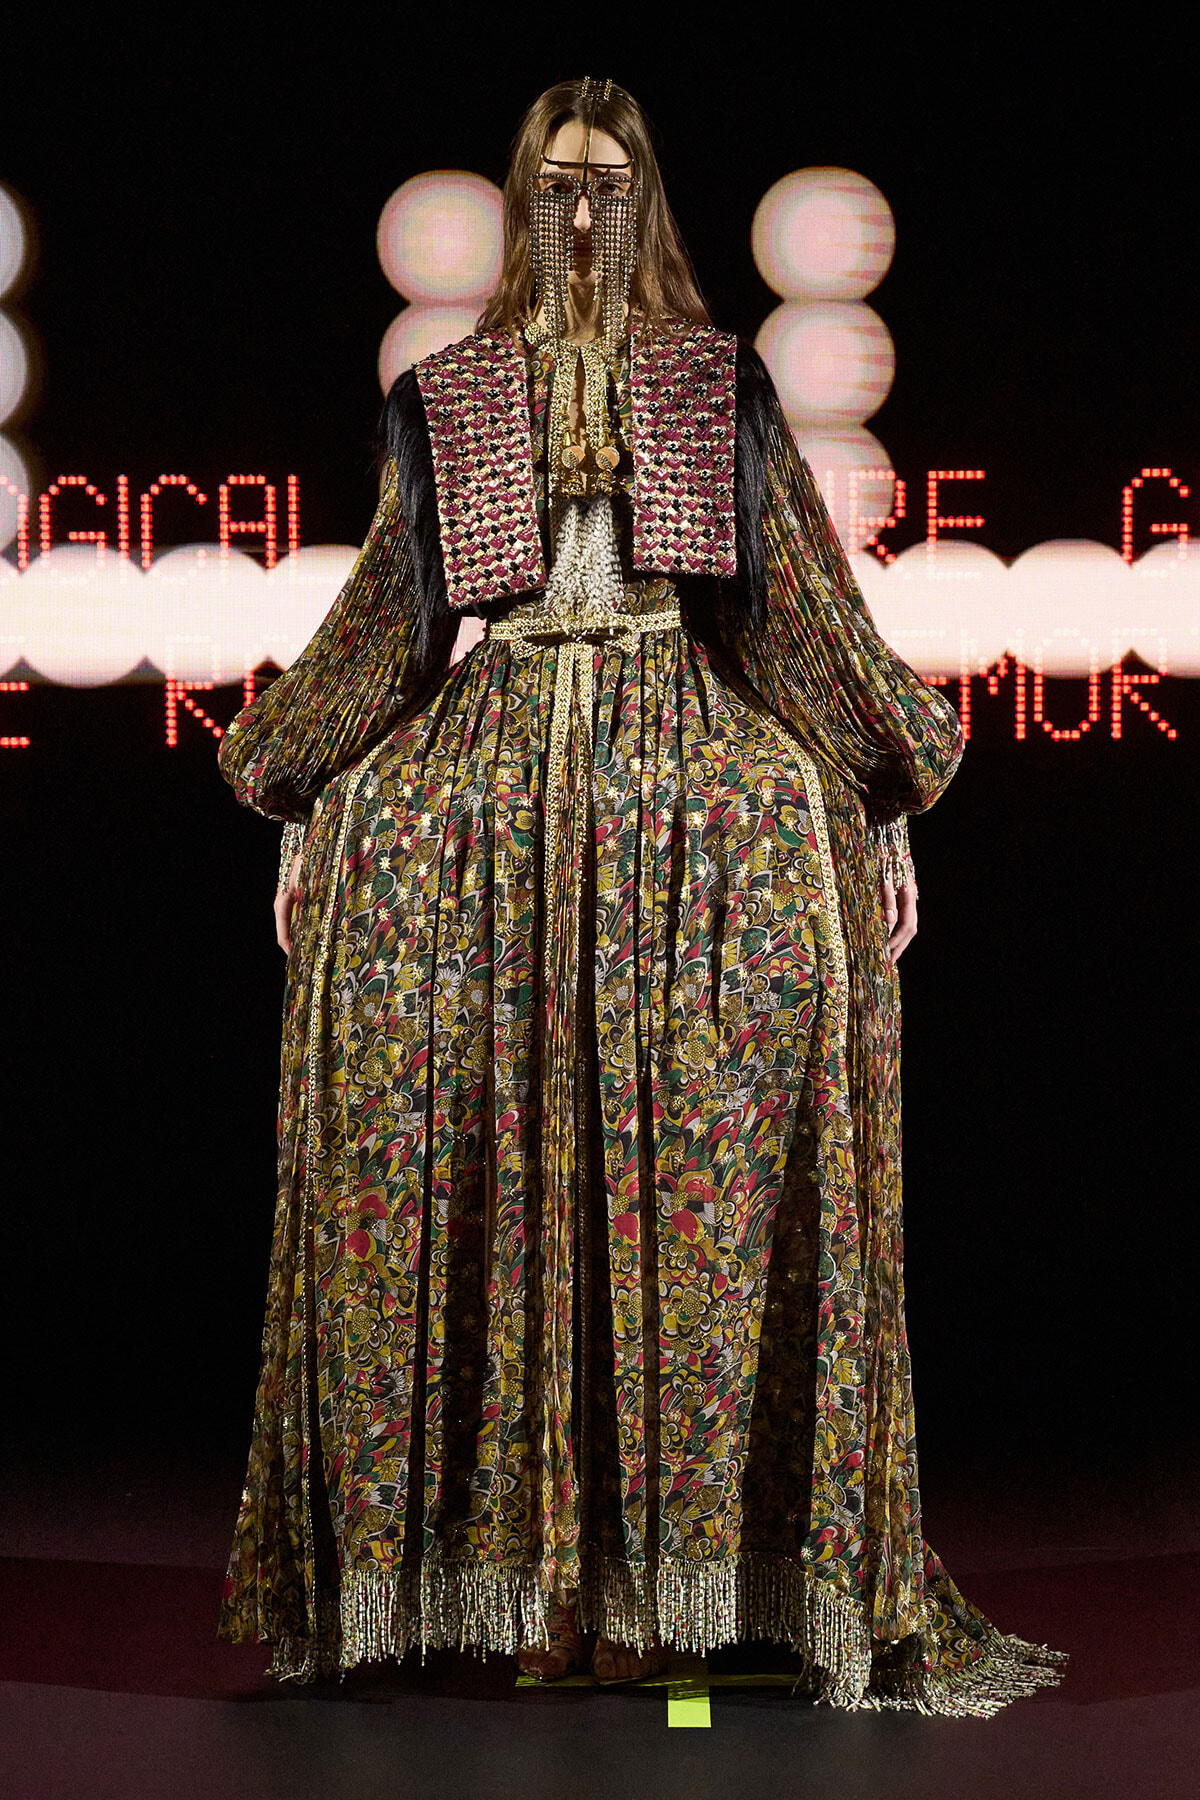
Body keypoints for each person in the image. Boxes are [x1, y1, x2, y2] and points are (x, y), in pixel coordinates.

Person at [218, 76, 1064, 1714]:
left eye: (610, 186)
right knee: (463, 1123)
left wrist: (880, 797)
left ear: (650, 197)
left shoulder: (710, 382)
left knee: (714, 1095)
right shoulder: (451, 394)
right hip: (489, 780)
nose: (584, 218)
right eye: (554, 187)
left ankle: (690, 1587)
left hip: (683, 770)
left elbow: (797, 611)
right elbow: (393, 617)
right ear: (524, 200)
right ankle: (497, 1581)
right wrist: (304, 790)